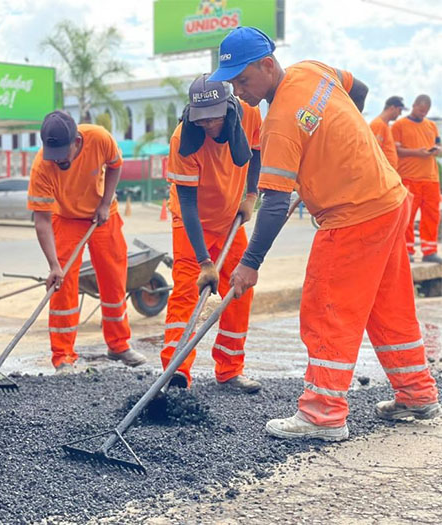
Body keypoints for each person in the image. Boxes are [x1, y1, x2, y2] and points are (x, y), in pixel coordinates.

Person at [210, 26, 440, 441]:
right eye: (232, 82)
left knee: (326, 307)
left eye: (243, 80)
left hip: (353, 215)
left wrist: (249, 265)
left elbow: (275, 204)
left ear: (267, 65)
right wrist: (335, 144)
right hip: (389, 198)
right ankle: (417, 392)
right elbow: (360, 89)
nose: (238, 90)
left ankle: (323, 413)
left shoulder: (278, 123)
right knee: (388, 304)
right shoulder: (312, 70)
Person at [162, 76, 262, 393]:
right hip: (192, 223)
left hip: (230, 217)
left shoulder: (250, 114)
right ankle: (176, 373)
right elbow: (188, 203)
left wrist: (250, 195)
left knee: (239, 288)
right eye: (201, 118)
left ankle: (230, 369)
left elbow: (256, 152)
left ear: (228, 107)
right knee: (186, 294)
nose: (208, 125)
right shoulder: (183, 139)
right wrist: (205, 261)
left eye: (214, 117)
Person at [27, 110, 146, 373]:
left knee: (114, 280)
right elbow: (42, 221)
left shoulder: (99, 138)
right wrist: (54, 265)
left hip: (103, 216)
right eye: (52, 155)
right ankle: (63, 356)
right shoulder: (42, 166)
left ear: (77, 142)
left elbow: (115, 165)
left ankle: (119, 346)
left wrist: (105, 203)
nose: (57, 161)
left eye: (62, 155)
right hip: (66, 219)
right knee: (63, 286)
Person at [391, 94, 442, 263]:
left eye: (425, 111)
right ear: (413, 105)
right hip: (409, 177)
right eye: (420, 110)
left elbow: (439, 144)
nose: (422, 114)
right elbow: (395, 150)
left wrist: (436, 150)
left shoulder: (431, 126)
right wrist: (416, 153)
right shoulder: (399, 125)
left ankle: (429, 250)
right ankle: (408, 250)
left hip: (431, 178)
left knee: (432, 215)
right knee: (408, 216)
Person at [370, 96, 406, 170]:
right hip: (382, 172)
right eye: (399, 110)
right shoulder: (378, 124)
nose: (400, 114)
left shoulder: (385, 125)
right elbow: (374, 151)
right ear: (392, 108)